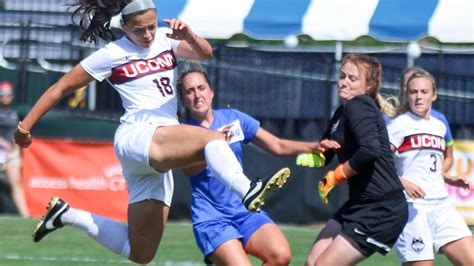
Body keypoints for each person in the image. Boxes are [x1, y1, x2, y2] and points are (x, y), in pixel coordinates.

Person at [13, 0, 289, 264]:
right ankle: (247, 190)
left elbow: (205, 53)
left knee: (141, 252)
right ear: (124, 25)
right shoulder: (112, 54)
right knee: (213, 140)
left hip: (158, 149)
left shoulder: (166, 38)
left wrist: (190, 36)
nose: (147, 34)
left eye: (151, 26)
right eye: (138, 29)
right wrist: (25, 127)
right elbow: (60, 88)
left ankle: (67, 215)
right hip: (137, 135)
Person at [178, 69, 340, 265]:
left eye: (201, 88)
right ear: (184, 99)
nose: (197, 95)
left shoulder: (233, 119)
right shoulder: (183, 132)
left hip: (246, 209)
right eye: (189, 91)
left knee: (280, 256)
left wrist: (312, 146)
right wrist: (214, 146)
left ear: (211, 91)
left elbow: (277, 145)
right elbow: (187, 169)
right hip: (212, 218)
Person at [303, 54, 408, 265]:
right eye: (342, 76)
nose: (344, 82)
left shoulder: (359, 105)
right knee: (313, 262)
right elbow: (327, 152)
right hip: (360, 204)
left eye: (353, 78)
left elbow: (370, 150)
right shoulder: (342, 111)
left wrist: (337, 175)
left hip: (381, 208)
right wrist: (314, 155)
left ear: (368, 86)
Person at [387, 70, 474, 266]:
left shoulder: (439, 125)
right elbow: (377, 162)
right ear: (407, 94)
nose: (418, 97)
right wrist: (403, 182)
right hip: (411, 207)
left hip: (442, 206)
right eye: (413, 92)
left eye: (424, 92)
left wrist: (449, 178)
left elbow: (428, 165)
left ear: (434, 95)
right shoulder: (399, 125)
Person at [397, 66, 455, 179]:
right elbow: (383, 159)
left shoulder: (439, 120)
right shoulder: (393, 120)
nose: (418, 94)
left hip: (432, 191)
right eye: (407, 85)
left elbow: (449, 156)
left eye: (423, 90)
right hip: (404, 191)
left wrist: (436, 176)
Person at [0, 80, 29, 217]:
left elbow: (23, 129)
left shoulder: (16, 112)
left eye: (8, 94)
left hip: (11, 153)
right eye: (2, 94)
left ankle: (25, 216)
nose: (5, 97)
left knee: (16, 183)